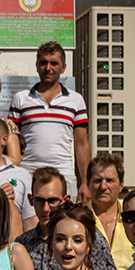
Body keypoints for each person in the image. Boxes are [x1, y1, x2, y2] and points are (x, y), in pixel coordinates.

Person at [8, 41, 91, 201]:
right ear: (37, 65)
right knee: (27, 222)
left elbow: (81, 144)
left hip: (64, 173)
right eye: (43, 63)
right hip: (28, 173)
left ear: (63, 67)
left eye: (54, 63)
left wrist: (85, 182)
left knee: (64, 222)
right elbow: (11, 140)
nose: (48, 68)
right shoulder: (21, 98)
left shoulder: (76, 100)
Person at [16, 168, 118, 270]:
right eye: (39, 201)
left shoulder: (88, 237)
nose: (45, 208)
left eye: (52, 201)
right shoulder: (23, 244)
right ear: (30, 200)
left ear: (66, 200)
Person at [87, 152, 135, 270]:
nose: (103, 186)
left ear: (121, 185)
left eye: (109, 180)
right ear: (88, 184)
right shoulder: (79, 219)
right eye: (98, 180)